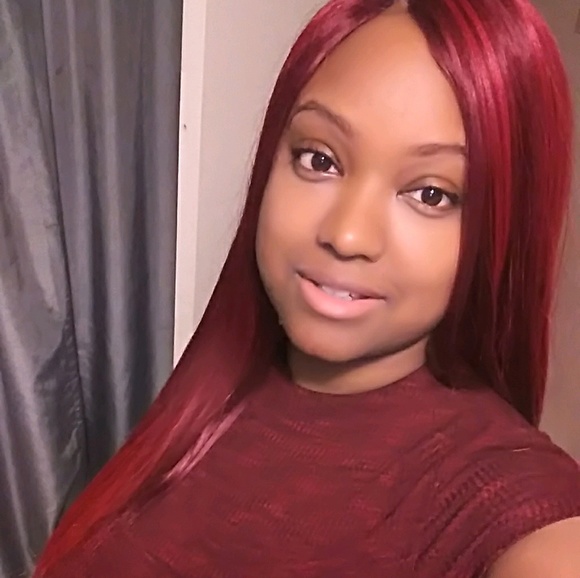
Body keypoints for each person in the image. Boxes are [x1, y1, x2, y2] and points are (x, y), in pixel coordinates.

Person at [33, 0, 580, 576]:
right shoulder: (210, 399)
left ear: (499, 227)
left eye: (431, 194)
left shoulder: (510, 502)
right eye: (319, 159)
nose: (346, 235)